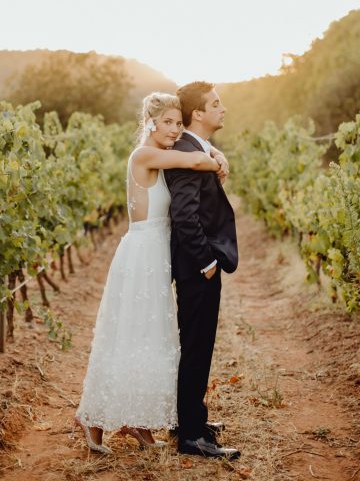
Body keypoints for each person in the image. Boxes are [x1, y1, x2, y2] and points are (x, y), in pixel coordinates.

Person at [75, 92, 227, 453]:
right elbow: (194, 162)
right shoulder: (144, 154)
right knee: (128, 336)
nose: (175, 130)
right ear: (151, 123)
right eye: (168, 123)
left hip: (157, 254)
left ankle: (137, 422)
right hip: (141, 254)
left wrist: (213, 152)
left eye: (178, 122)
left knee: (151, 338)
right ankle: (93, 418)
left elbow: (191, 160)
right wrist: (216, 157)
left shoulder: (159, 158)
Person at [164, 81, 240, 459]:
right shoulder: (185, 152)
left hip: (200, 264)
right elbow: (184, 215)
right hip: (198, 267)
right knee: (196, 346)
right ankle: (191, 435)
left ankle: (192, 418)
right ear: (198, 113)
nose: (223, 108)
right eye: (216, 103)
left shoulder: (196, 148)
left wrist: (214, 151)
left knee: (198, 345)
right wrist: (207, 262)